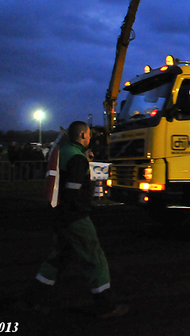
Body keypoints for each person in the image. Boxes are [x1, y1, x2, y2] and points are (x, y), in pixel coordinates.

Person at [23, 121, 128, 319]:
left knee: (58, 257)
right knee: (95, 258)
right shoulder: (77, 158)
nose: (90, 139)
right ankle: (106, 305)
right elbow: (73, 192)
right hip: (75, 218)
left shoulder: (65, 151)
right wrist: (76, 215)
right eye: (88, 136)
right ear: (82, 136)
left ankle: (31, 299)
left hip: (59, 215)